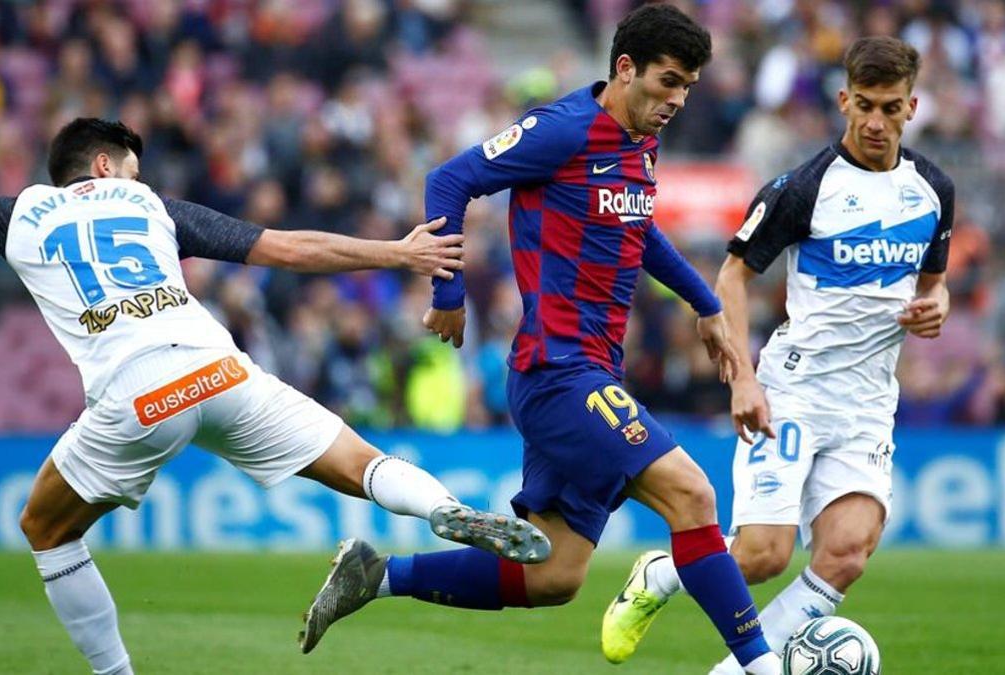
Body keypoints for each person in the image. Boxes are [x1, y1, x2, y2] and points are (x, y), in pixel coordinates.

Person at [0, 86, 551, 675]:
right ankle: (443, 507)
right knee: (361, 463)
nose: (138, 177)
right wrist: (396, 252)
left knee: (46, 528)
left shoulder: (18, 214)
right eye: (132, 164)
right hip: (219, 367)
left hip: (138, 391)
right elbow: (285, 247)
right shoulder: (152, 207)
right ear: (103, 164)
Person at [298, 6, 783, 674]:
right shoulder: (565, 129)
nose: (677, 100)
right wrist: (447, 292)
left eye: (688, 87)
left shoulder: (641, 136)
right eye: (668, 81)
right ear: (625, 68)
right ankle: (764, 667)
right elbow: (450, 178)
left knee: (554, 574)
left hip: (592, 374)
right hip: (558, 374)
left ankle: (375, 575)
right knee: (693, 496)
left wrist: (706, 304)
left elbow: (638, 230)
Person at [618, 36, 954, 674]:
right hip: (794, 392)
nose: (875, 122)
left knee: (847, 554)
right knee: (764, 555)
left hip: (869, 402)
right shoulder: (804, 188)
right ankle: (661, 573)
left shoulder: (933, 191)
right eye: (864, 106)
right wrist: (743, 381)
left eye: (889, 108)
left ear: (912, 107)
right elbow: (731, 280)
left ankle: (733, 672)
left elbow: (933, 287)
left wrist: (936, 306)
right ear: (842, 100)